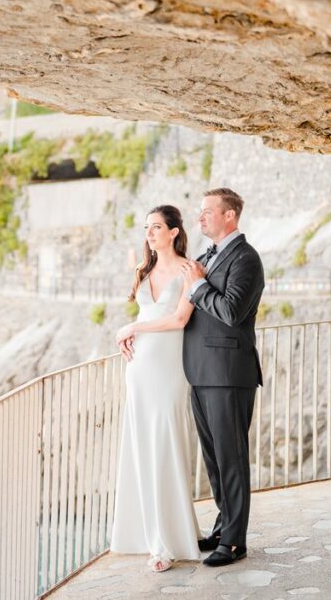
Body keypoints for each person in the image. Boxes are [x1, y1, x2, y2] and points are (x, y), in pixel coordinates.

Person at [117, 188, 264, 568]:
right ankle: (221, 526)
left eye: (207, 212)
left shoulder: (246, 258)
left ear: (229, 216)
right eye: (199, 213)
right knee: (215, 459)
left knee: (231, 458)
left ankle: (234, 543)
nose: (200, 219)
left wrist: (197, 285)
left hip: (229, 372)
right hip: (198, 371)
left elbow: (231, 310)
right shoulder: (205, 257)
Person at [109, 204, 201, 573]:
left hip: (168, 367)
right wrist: (130, 333)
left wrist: (132, 329)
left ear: (174, 232)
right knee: (140, 445)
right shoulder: (142, 270)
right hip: (139, 367)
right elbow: (145, 315)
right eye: (147, 227)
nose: (149, 233)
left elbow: (179, 319)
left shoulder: (189, 270)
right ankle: (143, 535)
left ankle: (169, 541)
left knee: (166, 443)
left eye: (157, 226)